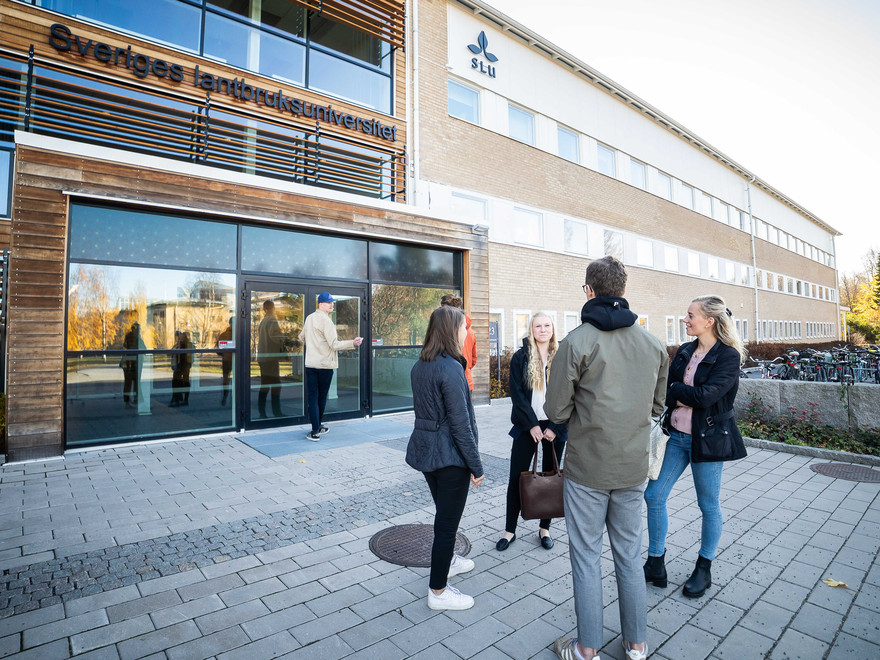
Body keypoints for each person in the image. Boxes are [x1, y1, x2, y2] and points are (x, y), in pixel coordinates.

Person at [545, 256, 667, 660]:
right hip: (632, 467)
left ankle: (587, 649)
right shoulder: (652, 344)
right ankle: (636, 645)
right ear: (623, 290)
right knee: (630, 556)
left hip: (588, 468)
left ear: (589, 291)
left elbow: (557, 411)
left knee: (585, 557)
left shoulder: (576, 341)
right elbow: (657, 406)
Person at [644, 295, 747, 599]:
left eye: (690, 315)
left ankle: (704, 566)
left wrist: (678, 390)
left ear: (709, 321)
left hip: (708, 439)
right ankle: (655, 562)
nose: (685, 320)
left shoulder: (728, 356)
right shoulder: (685, 351)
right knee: (653, 495)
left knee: (708, 505)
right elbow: (666, 388)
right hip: (676, 436)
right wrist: (678, 391)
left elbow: (706, 396)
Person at [406, 305, 484, 611]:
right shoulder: (451, 367)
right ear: (452, 330)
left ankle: (449, 560)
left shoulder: (419, 365)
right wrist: (476, 466)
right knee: (447, 525)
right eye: (463, 326)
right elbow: (460, 424)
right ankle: (438, 592)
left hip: (428, 454)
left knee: (444, 514)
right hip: (451, 458)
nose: (466, 331)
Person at [497, 312, 567, 552]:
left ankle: (544, 528)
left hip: (554, 426)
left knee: (550, 476)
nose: (543, 329)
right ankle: (509, 530)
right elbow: (517, 396)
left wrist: (555, 427)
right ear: (531, 329)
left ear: (553, 329)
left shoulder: (562, 356)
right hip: (528, 425)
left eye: (547, 325)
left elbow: (570, 394)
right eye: (538, 326)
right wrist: (533, 425)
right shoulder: (520, 358)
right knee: (517, 478)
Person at [299, 292, 363, 440]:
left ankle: (316, 428)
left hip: (311, 364)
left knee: (313, 397)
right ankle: (316, 430)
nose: (332, 304)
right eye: (329, 302)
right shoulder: (326, 321)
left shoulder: (309, 318)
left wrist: (314, 345)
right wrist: (352, 343)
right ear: (321, 304)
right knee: (321, 397)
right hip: (325, 365)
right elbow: (334, 345)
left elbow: (301, 337)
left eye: (332, 302)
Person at [258, 300, 289, 418]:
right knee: (276, 385)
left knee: (265, 385)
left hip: (263, 358)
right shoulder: (271, 320)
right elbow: (275, 337)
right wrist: (287, 340)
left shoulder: (263, 321)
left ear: (264, 309)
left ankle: (262, 412)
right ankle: (277, 412)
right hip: (270, 358)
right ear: (273, 308)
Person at [440, 294, 477, 391]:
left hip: (452, 381)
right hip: (467, 381)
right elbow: (473, 359)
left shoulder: (446, 330)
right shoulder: (471, 333)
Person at [121, 322, 143, 408]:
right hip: (130, 365)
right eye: (138, 329)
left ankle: (134, 400)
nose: (139, 331)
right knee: (130, 383)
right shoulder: (133, 338)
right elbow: (140, 348)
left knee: (133, 382)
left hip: (132, 364)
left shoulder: (133, 338)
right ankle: (133, 400)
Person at [170, 331, 192, 407]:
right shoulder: (177, 345)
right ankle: (179, 398)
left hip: (182, 366)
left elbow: (185, 357)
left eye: (182, 337)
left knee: (178, 381)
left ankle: (178, 398)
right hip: (181, 366)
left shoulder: (185, 345)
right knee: (179, 381)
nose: (179, 338)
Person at [216, 318, 233, 406]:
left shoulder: (223, 335)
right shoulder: (239, 334)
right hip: (237, 361)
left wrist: (224, 354)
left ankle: (225, 397)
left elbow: (218, 349)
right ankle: (234, 399)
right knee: (237, 381)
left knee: (226, 380)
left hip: (226, 360)